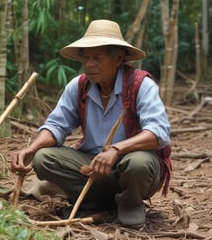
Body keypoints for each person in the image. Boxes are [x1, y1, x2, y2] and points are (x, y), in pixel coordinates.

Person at [10, 19, 171, 228]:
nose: (89, 65)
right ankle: (93, 201)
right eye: (86, 58)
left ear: (119, 58)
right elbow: (57, 125)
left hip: (131, 166)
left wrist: (116, 149)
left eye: (97, 58)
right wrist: (31, 149)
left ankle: (130, 204)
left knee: (138, 163)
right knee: (44, 158)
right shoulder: (79, 87)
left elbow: (158, 132)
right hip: (92, 167)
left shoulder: (141, 85)